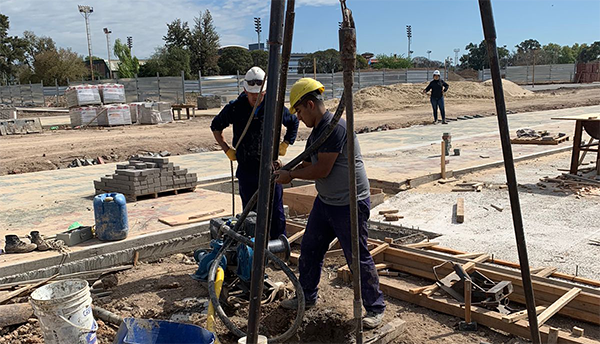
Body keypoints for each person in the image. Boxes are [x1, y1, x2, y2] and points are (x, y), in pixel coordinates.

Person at [275, 78, 386, 329]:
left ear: (311, 104)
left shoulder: (334, 129)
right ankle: (307, 296)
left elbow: (322, 169)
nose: (299, 118)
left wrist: (290, 177)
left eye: (300, 111)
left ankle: (375, 307)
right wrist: (287, 168)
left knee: (356, 257)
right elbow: (309, 162)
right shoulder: (318, 130)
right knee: (310, 249)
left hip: (349, 203)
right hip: (327, 202)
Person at [211, 66, 299, 239]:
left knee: (275, 210)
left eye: (259, 95)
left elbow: (293, 122)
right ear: (245, 90)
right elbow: (215, 126)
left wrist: (286, 144)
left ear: (265, 92)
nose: (255, 98)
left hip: (270, 168)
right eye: (252, 95)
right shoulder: (236, 107)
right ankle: (253, 246)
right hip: (247, 168)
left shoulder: (274, 107)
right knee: (250, 213)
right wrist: (227, 149)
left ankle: (277, 245)